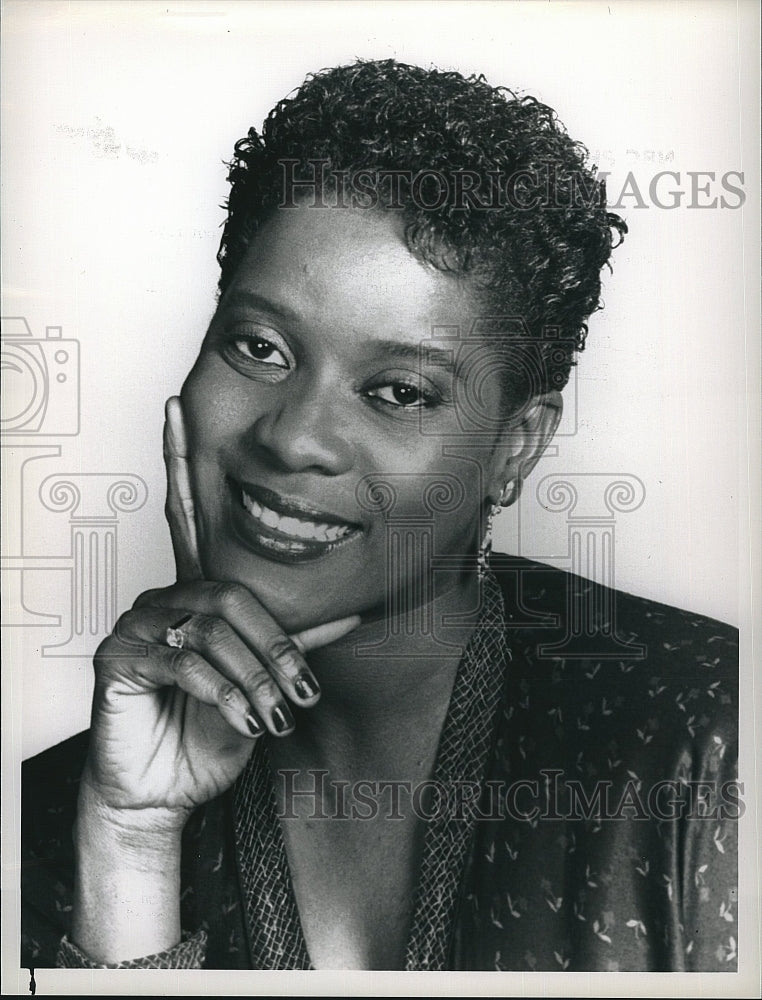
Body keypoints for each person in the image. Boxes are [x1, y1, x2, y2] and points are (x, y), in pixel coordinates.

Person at [21, 58, 738, 973]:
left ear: (515, 447)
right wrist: (131, 837)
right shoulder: (64, 809)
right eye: (259, 347)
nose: (294, 439)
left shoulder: (704, 740)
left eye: (397, 391)